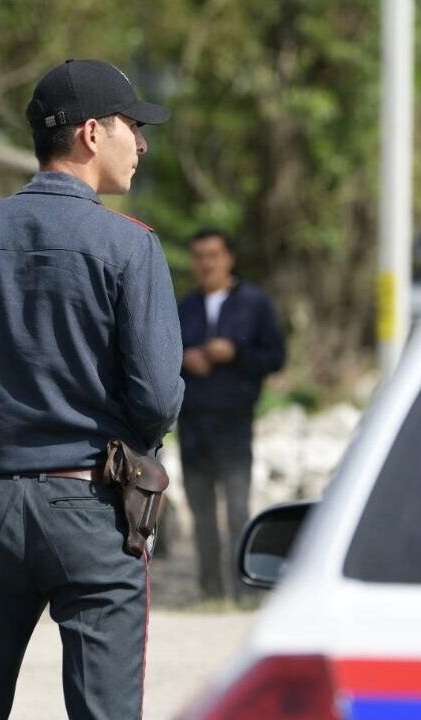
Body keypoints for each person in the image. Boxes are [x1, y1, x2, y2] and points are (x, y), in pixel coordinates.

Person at [0, 58, 184, 720]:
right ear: (91, 132)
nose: (140, 142)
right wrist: (120, 444)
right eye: (132, 126)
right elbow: (159, 398)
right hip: (94, 505)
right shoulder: (131, 246)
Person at [177, 228, 285, 600]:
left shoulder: (254, 304)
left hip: (235, 423)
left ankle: (244, 591)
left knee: (238, 509)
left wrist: (235, 353)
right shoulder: (184, 307)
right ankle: (210, 592)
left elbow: (275, 357)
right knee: (201, 513)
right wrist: (183, 357)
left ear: (229, 258)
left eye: (214, 255)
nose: (207, 263)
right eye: (200, 256)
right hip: (192, 423)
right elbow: (160, 358)